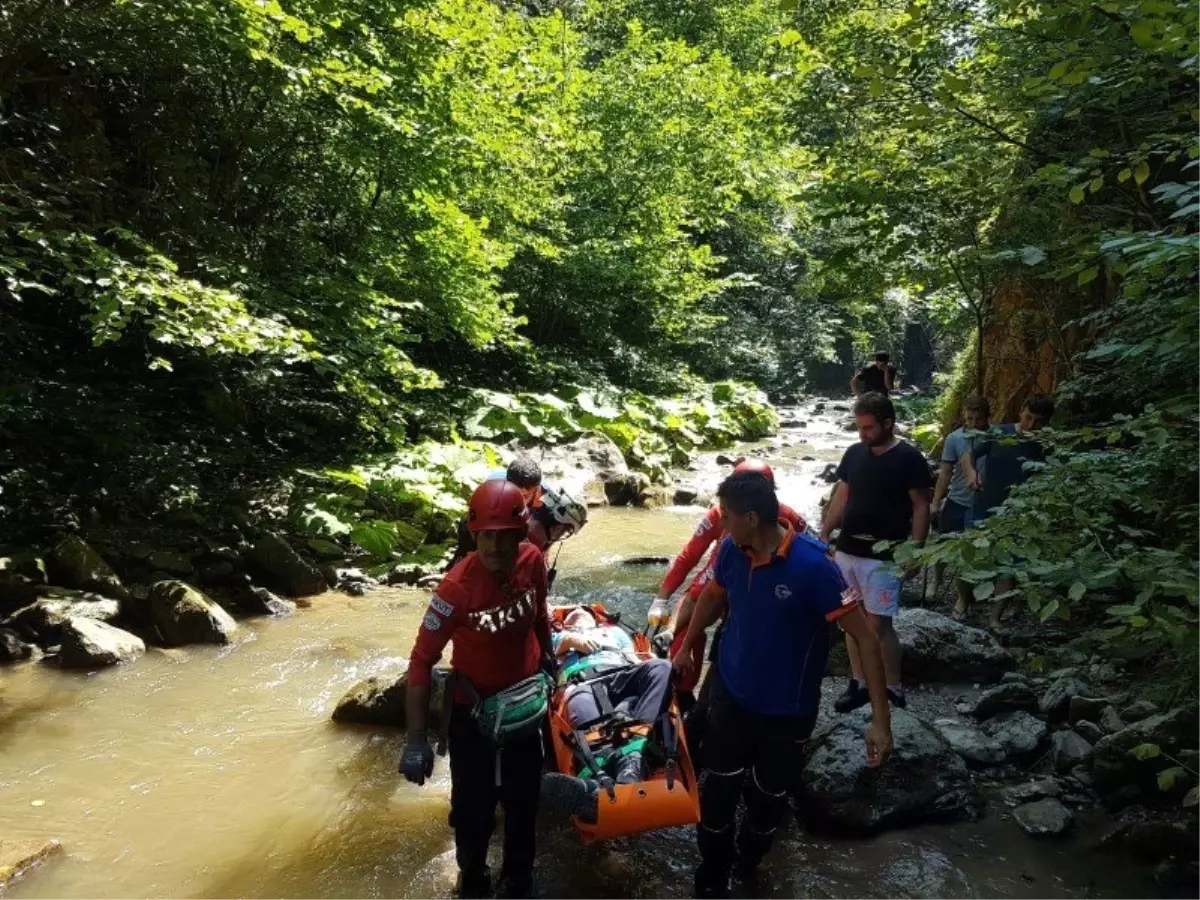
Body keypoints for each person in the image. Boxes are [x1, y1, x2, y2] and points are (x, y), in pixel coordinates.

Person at [673, 473, 893, 900]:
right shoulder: (731, 552)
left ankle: (748, 863)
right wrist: (685, 646)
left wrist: (880, 722)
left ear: (752, 517)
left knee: (767, 804)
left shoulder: (814, 567)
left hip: (787, 713)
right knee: (716, 795)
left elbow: (866, 638)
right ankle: (712, 878)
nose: (721, 526)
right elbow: (714, 597)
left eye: (727, 518)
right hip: (733, 697)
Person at [402, 479, 553, 900]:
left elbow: (540, 613)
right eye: (486, 537)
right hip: (474, 714)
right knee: (473, 810)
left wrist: (549, 657)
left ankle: (518, 879)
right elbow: (421, 660)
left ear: (520, 535)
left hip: (525, 706)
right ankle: (471, 877)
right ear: (474, 535)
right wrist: (416, 740)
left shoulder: (533, 562)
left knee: (524, 804)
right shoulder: (455, 590)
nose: (495, 549)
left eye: (505, 539)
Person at [647, 459, 806, 701]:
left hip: (761, 583)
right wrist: (662, 598)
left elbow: (811, 552)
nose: (724, 521)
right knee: (695, 607)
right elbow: (690, 555)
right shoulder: (719, 516)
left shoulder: (788, 517)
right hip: (723, 573)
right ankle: (680, 682)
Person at [820, 392, 931, 713]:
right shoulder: (854, 454)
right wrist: (826, 531)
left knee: (880, 626)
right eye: (859, 427)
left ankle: (893, 688)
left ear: (888, 423)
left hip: (885, 557)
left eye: (868, 428)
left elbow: (921, 507)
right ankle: (860, 683)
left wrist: (915, 550)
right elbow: (842, 495)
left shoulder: (909, 458)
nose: (862, 434)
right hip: (847, 552)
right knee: (850, 623)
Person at [539, 607, 674, 816]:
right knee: (583, 708)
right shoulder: (560, 636)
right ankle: (624, 771)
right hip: (582, 682)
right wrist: (573, 640)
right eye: (572, 614)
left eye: (584, 611)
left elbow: (636, 656)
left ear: (596, 620)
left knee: (661, 667)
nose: (577, 611)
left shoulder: (614, 632)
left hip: (622, 674)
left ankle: (596, 789)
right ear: (565, 624)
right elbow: (548, 649)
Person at [959, 393, 1055, 628]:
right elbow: (968, 454)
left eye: (1038, 421)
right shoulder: (1000, 433)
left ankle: (994, 617)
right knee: (970, 557)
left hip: (1019, 515)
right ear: (1022, 410)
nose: (1030, 425)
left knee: (1008, 566)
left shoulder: (1045, 445)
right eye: (1028, 417)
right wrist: (972, 473)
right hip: (985, 506)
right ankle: (962, 602)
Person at [930, 396, 991, 618]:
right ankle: (936, 580)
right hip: (956, 499)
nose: (973, 424)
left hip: (982, 505)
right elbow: (945, 472)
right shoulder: (954, 439)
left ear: (987, 418)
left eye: (978, 419)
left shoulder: (995, 438)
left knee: (970, 555)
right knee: (943, 545)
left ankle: (963, 599)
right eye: (969, 419)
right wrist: (936, 502)